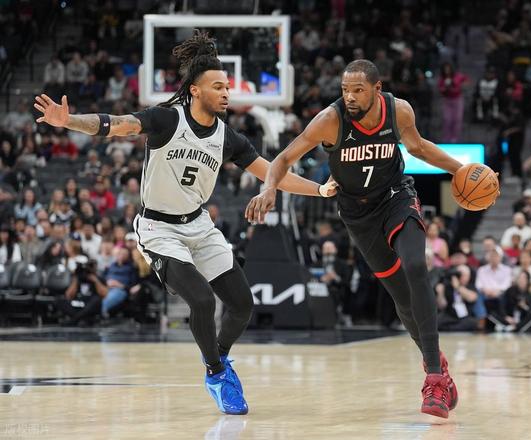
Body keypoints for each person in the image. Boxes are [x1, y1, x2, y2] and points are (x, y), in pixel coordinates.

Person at [34, 30, 337, 415]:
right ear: (195, 90)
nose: (226, 93)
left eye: (227, 87)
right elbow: (116, 124)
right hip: (159, 229)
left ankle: (219, 356)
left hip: (198, 225)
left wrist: (320, 190)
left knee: (242, 304)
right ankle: (216, 375)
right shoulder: (165, 119)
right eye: (218, 86)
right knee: (201, 300)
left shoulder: (227, 137)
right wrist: (70, 122)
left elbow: (272, 173)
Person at [244, 59, 488, 419]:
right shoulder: (330, 120)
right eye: (345, 90)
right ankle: (434, 361)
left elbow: (419, 147)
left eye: (358, 90)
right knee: (401, 298)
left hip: (396, 196)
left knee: (416, 266)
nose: (350, 96)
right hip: (358, 215)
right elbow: (283, 159)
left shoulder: (399, 111)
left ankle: (434, 379)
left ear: (377, 89)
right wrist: (269, 188)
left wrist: (462, 170)